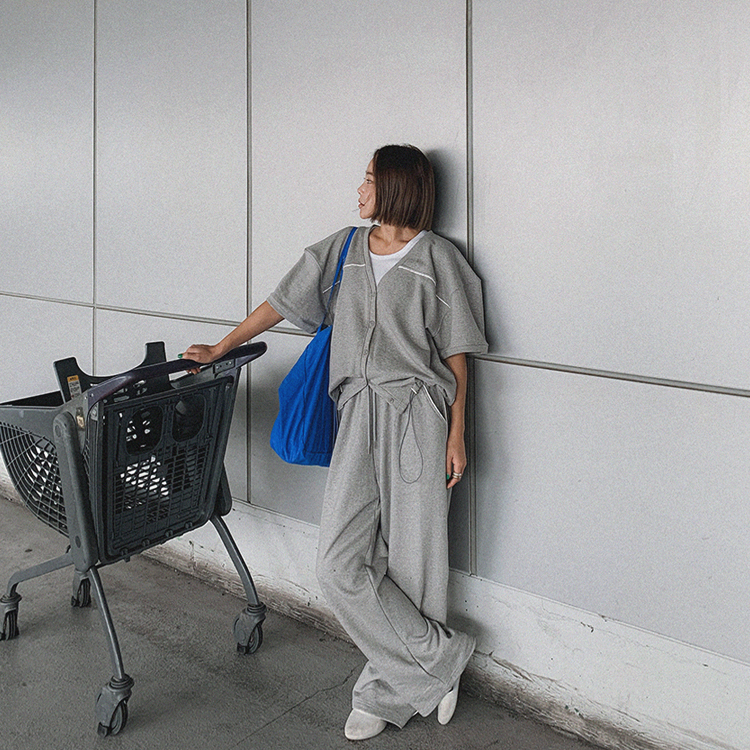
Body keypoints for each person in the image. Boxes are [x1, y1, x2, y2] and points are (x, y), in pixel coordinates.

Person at [183, 144, 488, 740]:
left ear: (395, 186)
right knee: (338, 565)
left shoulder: (438, 259)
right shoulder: (344, 249)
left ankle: (385, 692)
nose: (360, 190)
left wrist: (457, 432)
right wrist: (222, 347)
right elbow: (282, 300)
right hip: (355, 412)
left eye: (369, 179)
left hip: (417, 415)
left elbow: (458, 352)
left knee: (415, 560)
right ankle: (440, 660)